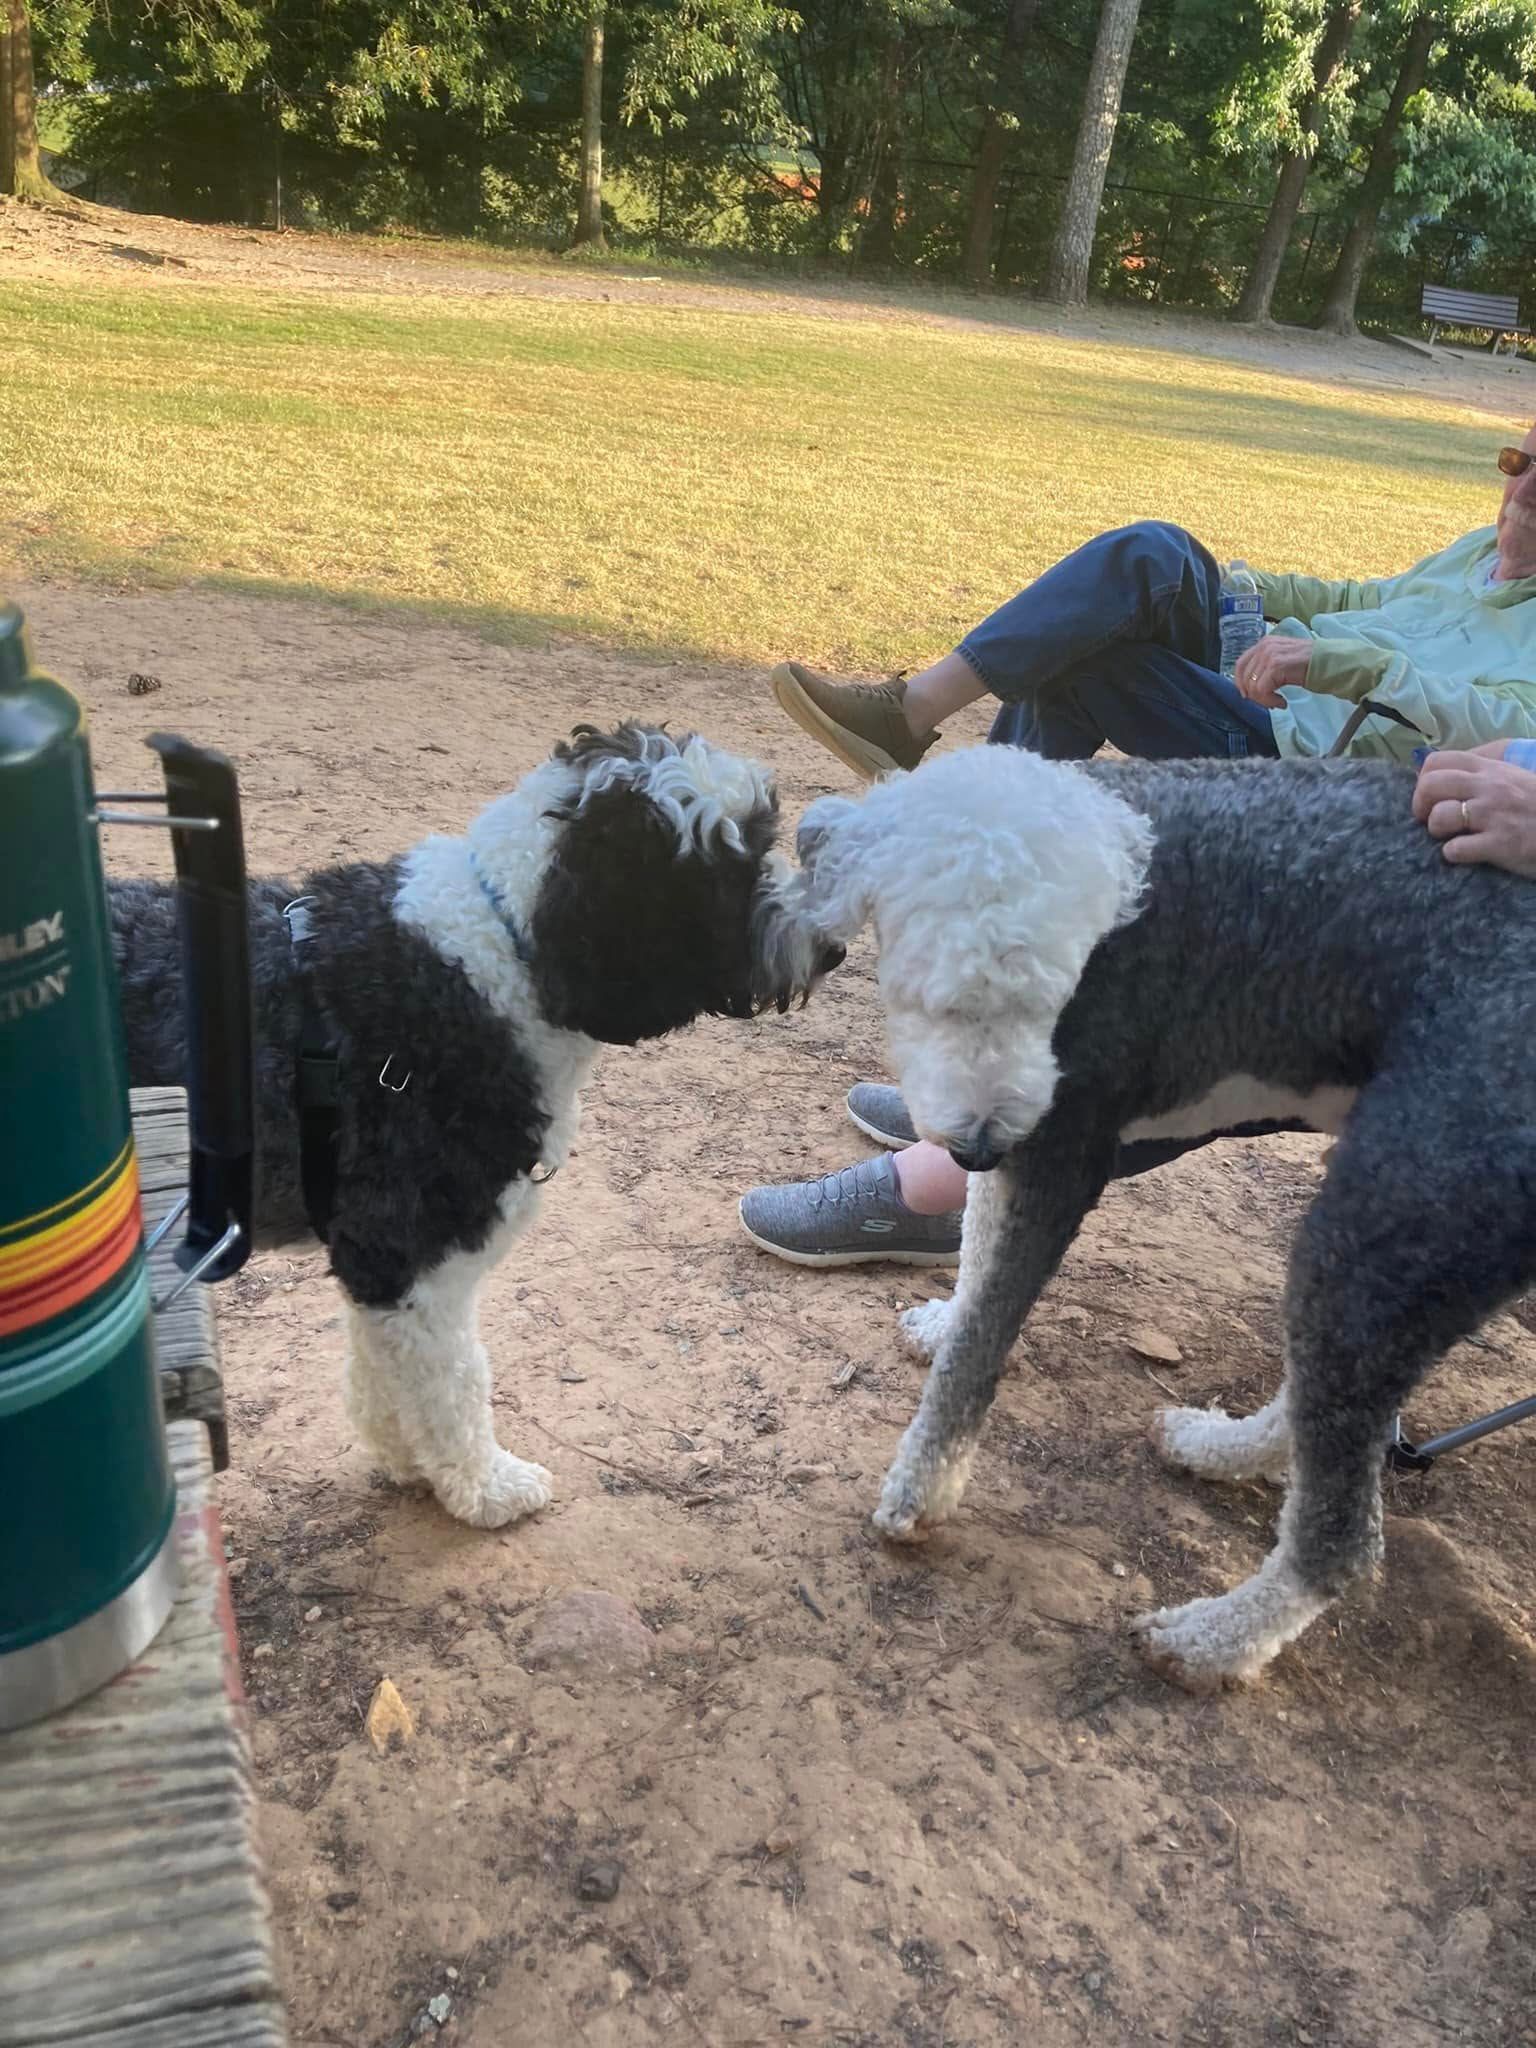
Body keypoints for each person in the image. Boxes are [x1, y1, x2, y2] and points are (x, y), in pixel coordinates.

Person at [740, 432, 1536, 1268]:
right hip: (1275, 698)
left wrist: (1341, 660)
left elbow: (1500, 724)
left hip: (1321, 777)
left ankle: (952, 1161)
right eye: (1520, 463)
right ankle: (914, 725)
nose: (1523, 490)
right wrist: (1254, 594)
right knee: (1154, 556)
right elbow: (1361, 596)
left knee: (1085, 674)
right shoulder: (1474, 554)